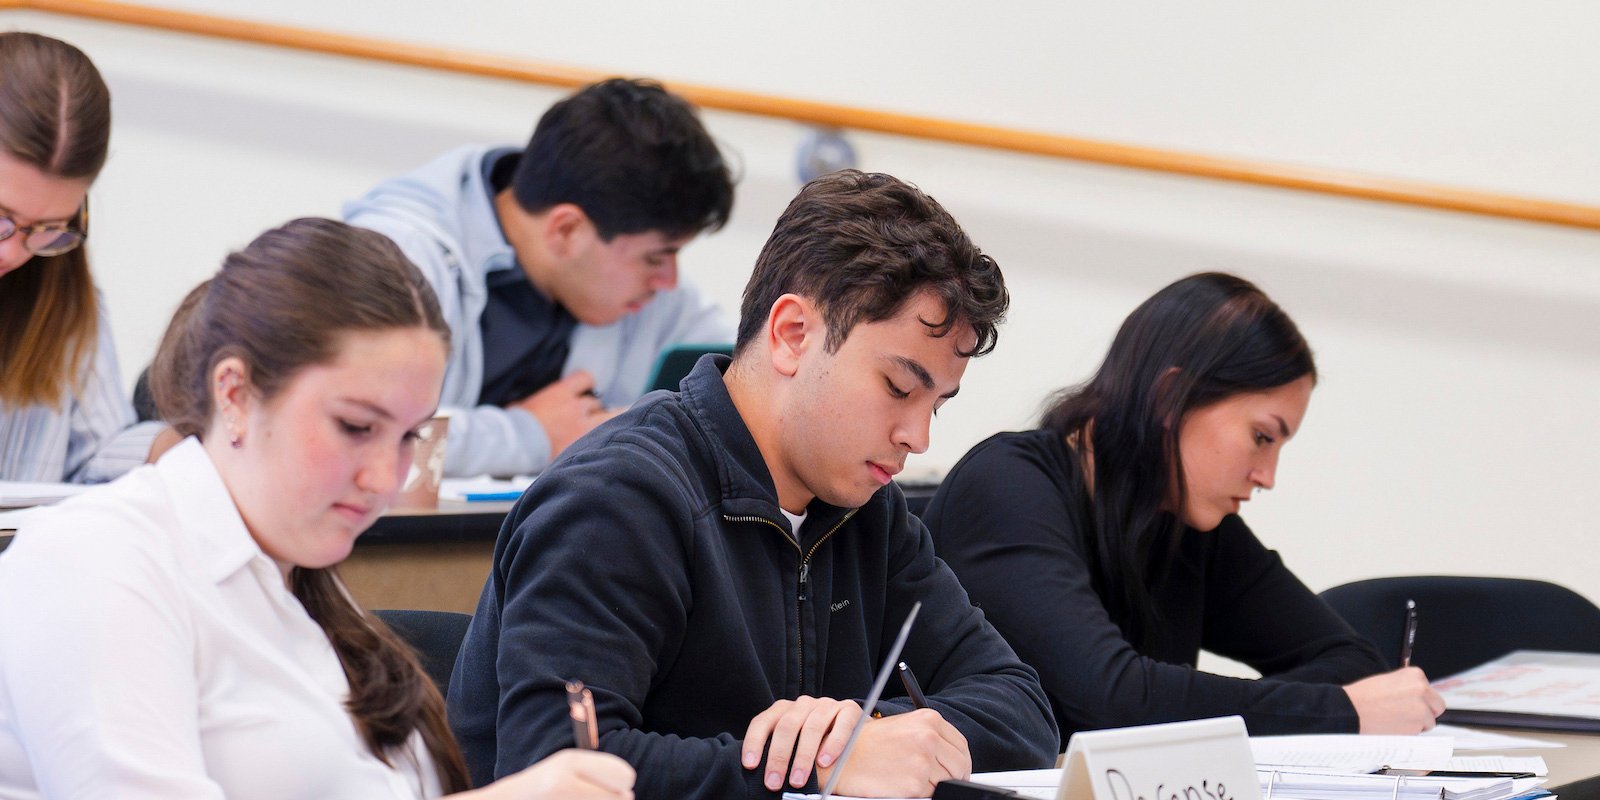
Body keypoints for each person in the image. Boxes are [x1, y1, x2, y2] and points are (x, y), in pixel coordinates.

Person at [447, 171, 1057, 799]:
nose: (918, 436)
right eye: (899, 389)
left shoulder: (869, 513)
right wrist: (817, 766)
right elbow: (551, 766)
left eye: (938, 403)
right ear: (793, 334)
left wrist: (873, 733)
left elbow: (1020, 710)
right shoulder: (616, 499)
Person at [0, 219, 634, 799]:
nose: (386, 477)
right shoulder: (96, 562)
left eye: (410, 435)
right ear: (236, 392)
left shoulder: (299, 591)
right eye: (355, 426)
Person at [923, 272, 1446, 739]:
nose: (1268, 477)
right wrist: (1335, 712)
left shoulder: (1186, 522)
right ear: (1171, 398)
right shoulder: (1007, 486)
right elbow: (1107, 700)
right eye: (1262, 437)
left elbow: (1354, 663)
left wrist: (1176, 703)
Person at [343, 77, 736, 478]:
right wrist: (534, 435)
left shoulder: (634, 269)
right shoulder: (399, 260)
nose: (669, 280)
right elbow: (363, 429)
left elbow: (747, 374)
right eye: (656, 257)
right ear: (566, 230)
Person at [0, 31, 174, 482]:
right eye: (1, 218)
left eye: (49, 228)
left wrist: (186, 450)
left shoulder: (65, 302)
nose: (14, 254)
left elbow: (96, 461)